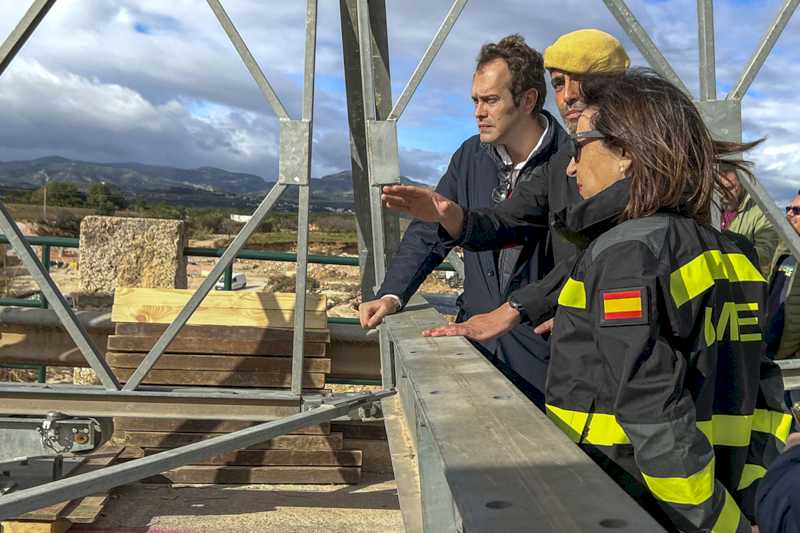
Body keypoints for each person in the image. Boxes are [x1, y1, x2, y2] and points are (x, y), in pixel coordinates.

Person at [384, 68, 791, 532]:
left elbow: (651, 413)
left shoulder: (629, 254)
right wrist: (754, 505)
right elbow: (766, 398)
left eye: (580, 148)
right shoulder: (730, 253)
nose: (571, 167)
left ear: (628, 155)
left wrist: (719, 524)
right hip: (722, 496)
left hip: (625, 496)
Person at [358, 34, 570, 402]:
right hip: (474, 340)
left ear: (528, 100)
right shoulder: (471, 155)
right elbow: (432, 228)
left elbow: (583, 260)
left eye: (490, 100)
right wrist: (392, 293)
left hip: (544, 351)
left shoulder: (571, 163)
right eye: (475, 100)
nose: (478, 112)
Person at [720, 164, 778, 277]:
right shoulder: (712, 211)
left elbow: (765, 256)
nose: (723, 195)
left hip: (745, 285)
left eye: (729, 188)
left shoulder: (761, 212)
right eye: (719, 189)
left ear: (743, 184)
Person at [765, 191, 800, 360]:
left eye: (797, 210)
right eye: (788, 208)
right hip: (769, 347)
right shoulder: (783, 249)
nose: (789, 214)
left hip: (791, 357)